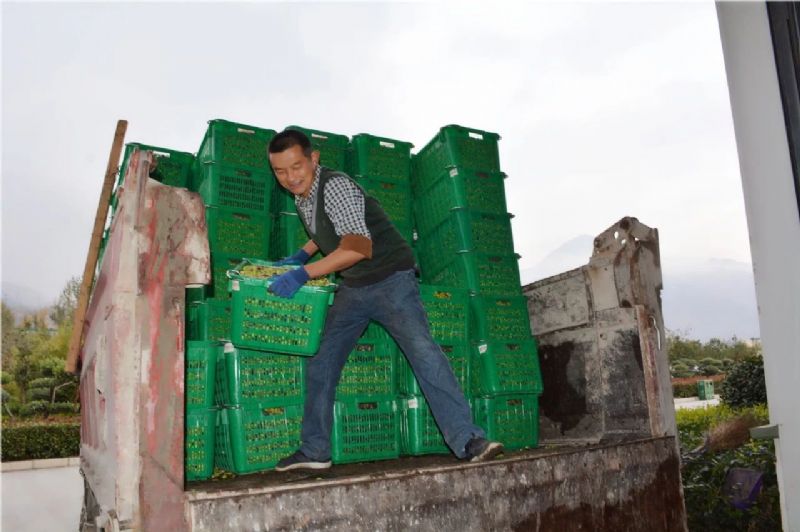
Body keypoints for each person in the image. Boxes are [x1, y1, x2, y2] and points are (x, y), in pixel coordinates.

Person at [266, 129, 503, 471]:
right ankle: (315, 450)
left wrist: (304, 273)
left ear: (313, 159)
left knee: (423, 353)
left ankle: (468, 439)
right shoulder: (303, 195)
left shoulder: (335, 186)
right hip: (354, 286)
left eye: (296, 166)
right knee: (321, 360)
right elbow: (328, 227)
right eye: (280, 171)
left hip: (392, 280)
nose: (290, 177)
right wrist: (302, 254)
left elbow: (357, 248)